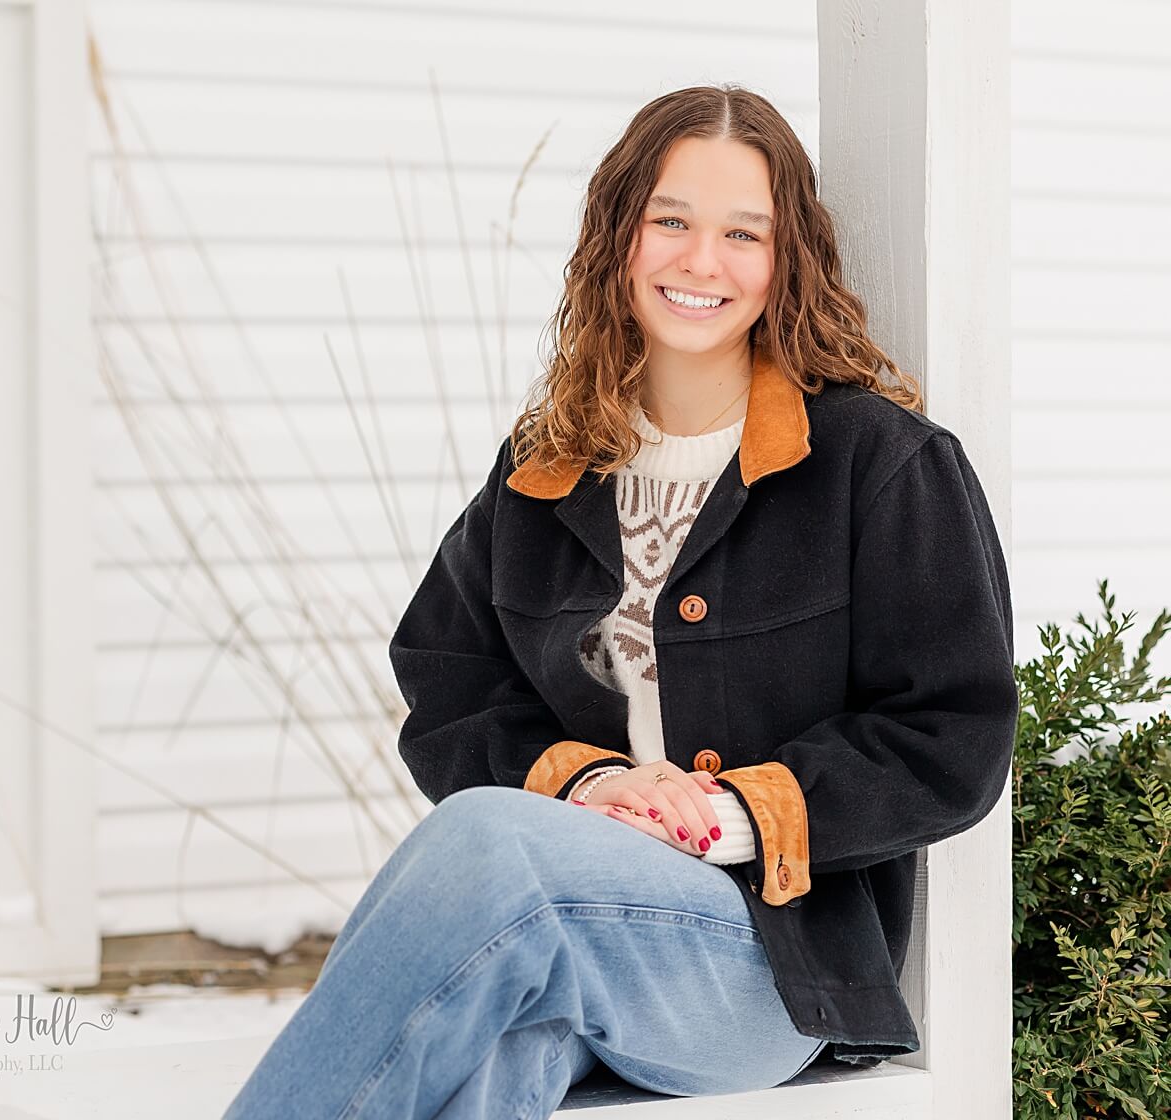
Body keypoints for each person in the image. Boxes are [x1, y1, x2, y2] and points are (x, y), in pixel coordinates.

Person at [219, 83, 1018, 1119]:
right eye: (670, 221)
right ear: (618, 236)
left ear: (786, 261)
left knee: (484, 842)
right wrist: (588, 785)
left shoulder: (876, 461)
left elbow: (951, 735)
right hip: (574, 938)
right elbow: (448, 683)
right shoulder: (544, 468)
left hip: (765, 966)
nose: (700, 261)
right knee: (500, 1051)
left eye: (743, 232)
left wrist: (730, 812)